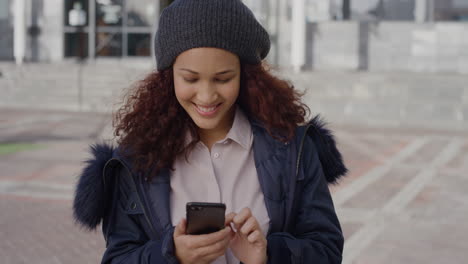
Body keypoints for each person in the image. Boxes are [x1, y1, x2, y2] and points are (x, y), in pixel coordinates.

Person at [73, 0, 347, 263]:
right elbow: (118, 258)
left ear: (246, 76)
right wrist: (171, 255)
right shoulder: (135, 160)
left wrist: (268, 256)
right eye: (190, 78)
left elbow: (327, 250)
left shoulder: (294, 149)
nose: (206, 96)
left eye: (223, 78)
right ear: (168, 76)